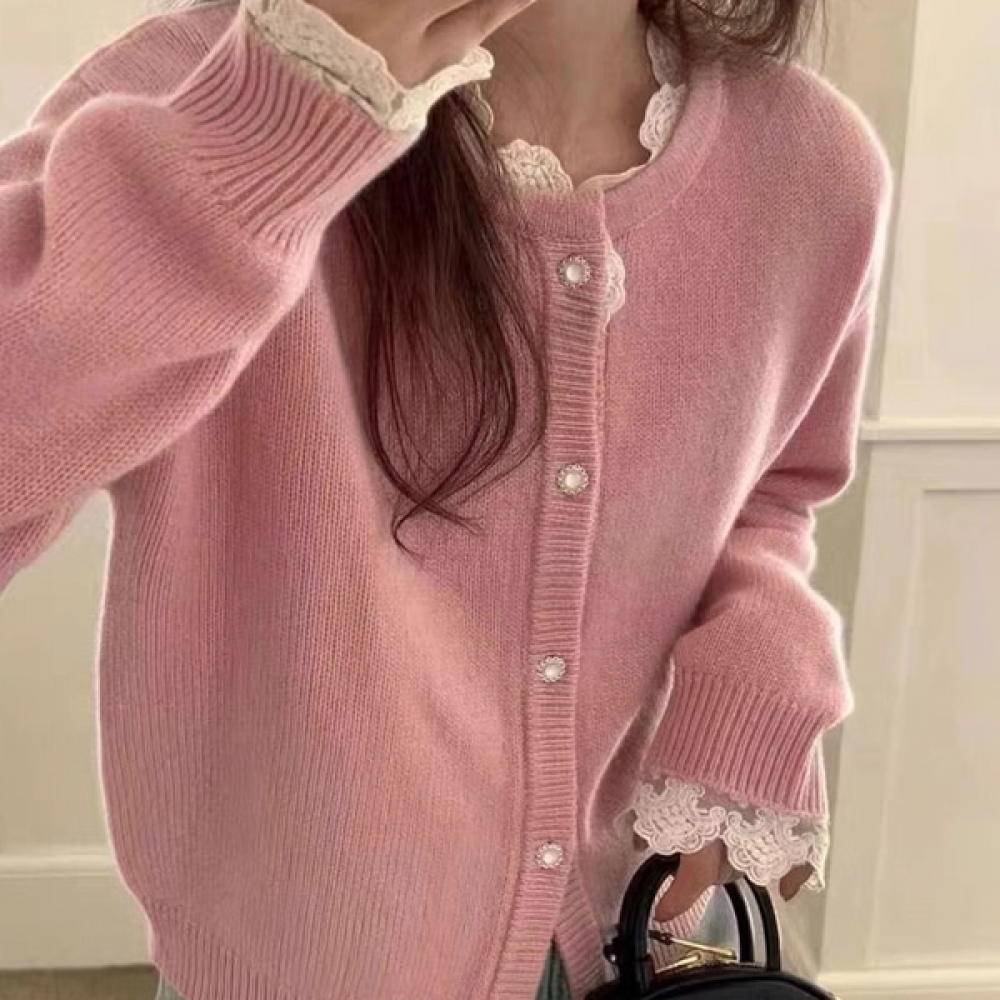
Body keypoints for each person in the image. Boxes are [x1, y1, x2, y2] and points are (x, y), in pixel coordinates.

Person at [0, 0, 891, 997]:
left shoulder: (809, 162)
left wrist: (757, 669)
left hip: (639, 932)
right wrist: (274, 130)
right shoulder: (191, 85)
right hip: (304, 957)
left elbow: (774, 486)